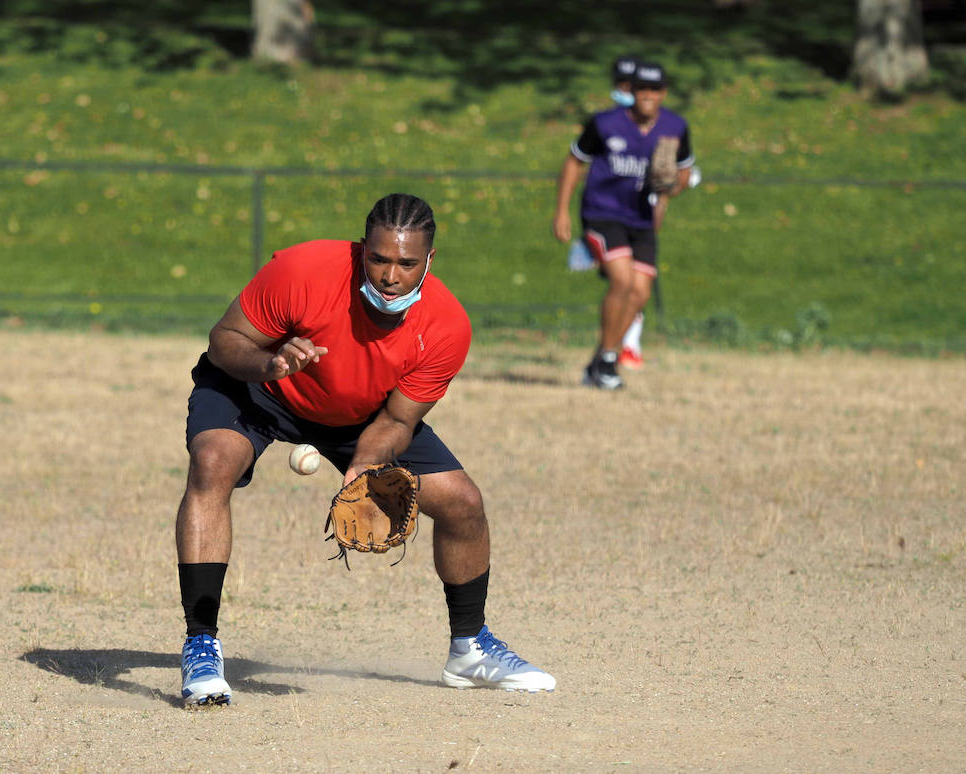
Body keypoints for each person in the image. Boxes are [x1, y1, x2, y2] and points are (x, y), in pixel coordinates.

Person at [174, 192, 555, 707]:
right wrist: (269, 362)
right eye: (378, 258)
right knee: (213, 462)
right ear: (361, 250)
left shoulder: (446, 326)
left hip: (360, 416)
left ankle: (470, 649)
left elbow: (398, 418)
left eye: (406, 263)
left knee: (463, 503)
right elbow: (225, 339)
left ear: (429, 261)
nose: (390, 275)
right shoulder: (303, 270)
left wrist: (363, 467)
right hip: (257, 388)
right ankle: (201, 645)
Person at [552, 62, 694, 388]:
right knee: (622, 278)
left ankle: (605, 358)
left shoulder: (675, 126)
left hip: (641, 218)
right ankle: (605, 362)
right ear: (632, 91)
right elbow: (575, 161)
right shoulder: (606, 124)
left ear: (664, 93)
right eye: (641, 89)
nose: (647, 96)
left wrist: (672, 186)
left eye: (654, 90)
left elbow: (685, 170)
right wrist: (561, 210)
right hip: (603, 212)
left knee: (640, 291)